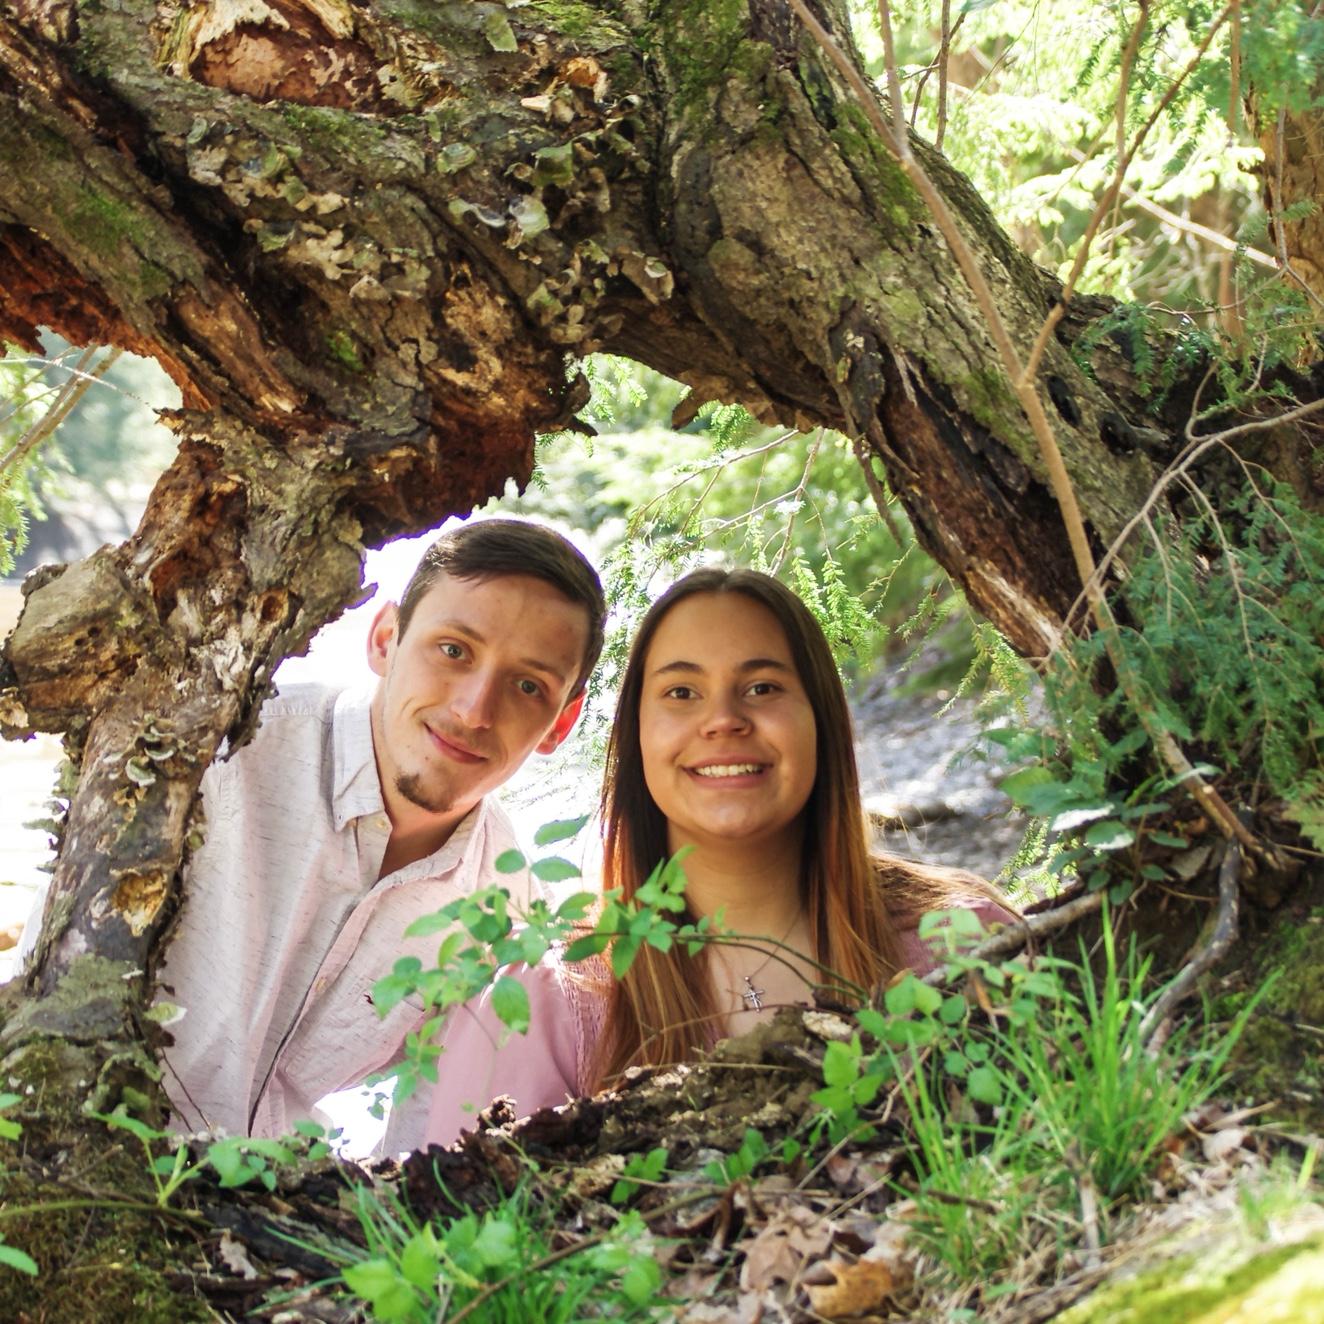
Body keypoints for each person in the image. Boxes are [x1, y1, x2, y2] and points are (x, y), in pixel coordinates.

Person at [420, 568, 1015, 1146]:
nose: (724, 720)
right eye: (682, 692)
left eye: (762, 687)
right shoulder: (552, 1005)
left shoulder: (960, 943)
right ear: (637, 739)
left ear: (821, 721)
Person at [144, 518, 605, 1150]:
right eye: (454, 650)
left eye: (528, 686)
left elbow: (428, 1136)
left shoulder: (505, 910)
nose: (474, 709)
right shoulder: (224, 750)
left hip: (264, 1212)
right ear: (385, 639)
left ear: (561, 723)